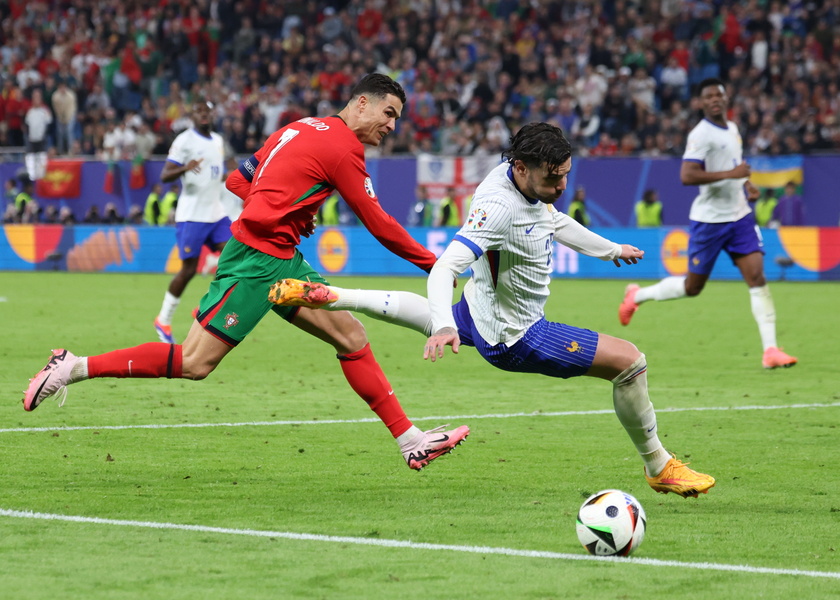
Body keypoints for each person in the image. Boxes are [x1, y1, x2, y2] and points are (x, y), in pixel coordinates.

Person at [23, 74, 469, 472]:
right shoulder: (343, 148)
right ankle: (73, 367)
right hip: (256, 262)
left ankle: (411, 442)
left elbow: (239, 181)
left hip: (281, 257)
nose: (392, 126)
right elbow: (379, 223)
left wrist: (284, 203)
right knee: (195, 363)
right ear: (361, 104)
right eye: (388, 114)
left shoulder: (298, 126)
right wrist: (439, 265)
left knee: (351, 337)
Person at [271, 123, 715, 498]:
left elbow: (554, 220)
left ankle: (330, 294)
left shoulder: (524, 184)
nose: (561, 186)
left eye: (564, 175)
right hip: (517, 335)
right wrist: (445, 326)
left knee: (422, 313)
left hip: (480, 313)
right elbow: (445, 267)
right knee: (630, 362)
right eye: (553, 178)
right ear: (521, 168)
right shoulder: (498, 209)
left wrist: (609, 250)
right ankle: (659, 466)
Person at [619, 78, 797, 370]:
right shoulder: (700, 134)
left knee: (757, 278)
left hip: (739, 217)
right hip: (709, 221)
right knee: (692, 287)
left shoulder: (733, 129)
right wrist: (732, 173)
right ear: (701, 103)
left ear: (726, 99)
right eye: (708, 96)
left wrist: (746, 183)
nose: (714, 99)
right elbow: (687, 176)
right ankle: (636, 295)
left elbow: (735, 165)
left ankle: (771, 351)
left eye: (719, 94)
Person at [154, 100, 233, 344]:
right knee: (188, 270)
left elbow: (214, 174)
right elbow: (165, 175)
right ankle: (163, 320)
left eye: (207, 111)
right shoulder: (184, 141)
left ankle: (204, 307)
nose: (204, 115)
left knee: (235, 256)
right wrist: (185, 168)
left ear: (213, 113)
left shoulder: (218, 141)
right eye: (199, 111)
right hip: (192, 215)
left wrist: (230, 177)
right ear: (192, 115)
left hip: (216, 212)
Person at [24, 89, 52, 182]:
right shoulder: (30, 112)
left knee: (42, 158)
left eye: (38, 97)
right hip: (32, 139)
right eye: (34, 97)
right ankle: (32, 177)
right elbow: (27, 124)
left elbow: (49, 123)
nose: (36, 100)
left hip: (42, 139)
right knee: (31, 158)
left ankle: (42, 177)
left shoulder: (44, 111)